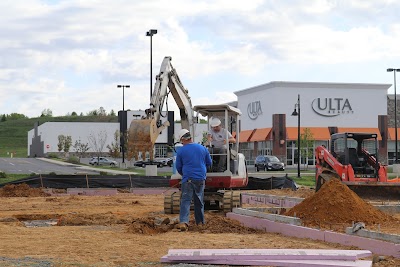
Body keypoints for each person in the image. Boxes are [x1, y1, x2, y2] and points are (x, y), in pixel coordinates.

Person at [175, 128, 212, 231]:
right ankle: (200, 223)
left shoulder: (181, 150)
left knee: (186, 200)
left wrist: (185, 174)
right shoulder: (202, 148)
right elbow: (209, 163)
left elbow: (178, 167)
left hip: (188, 179)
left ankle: (183, 222)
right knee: (199, 201)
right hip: (200, 178)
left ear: (183, 139)